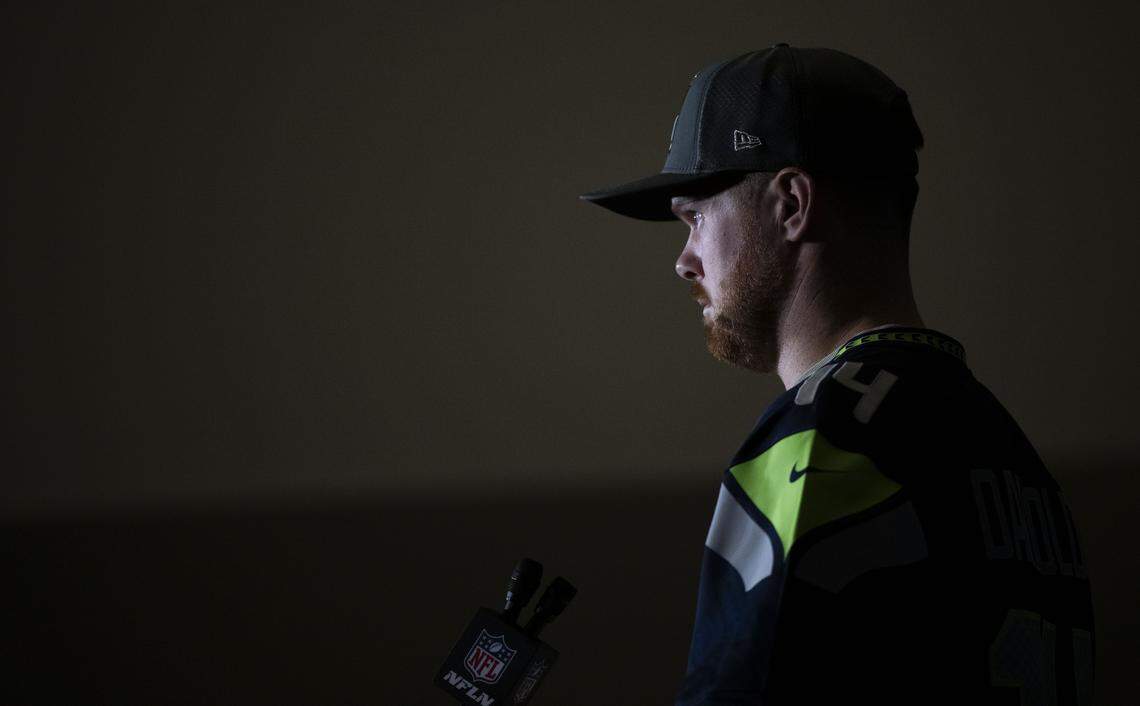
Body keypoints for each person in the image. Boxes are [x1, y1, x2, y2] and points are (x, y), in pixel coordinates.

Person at [579, 44, 1095, 705]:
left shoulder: (822, 436)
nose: (685, 261)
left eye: (697, 215)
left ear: (792, 203)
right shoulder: (1010, 456)